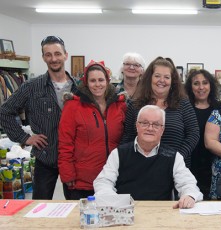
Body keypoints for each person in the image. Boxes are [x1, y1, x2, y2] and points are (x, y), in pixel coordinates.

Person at [0, 36, 77, 200]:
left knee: (76, 206)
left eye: (57, 53)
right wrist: (24, 137)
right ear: (43, 58)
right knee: (39, 207)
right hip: (45, 157)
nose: (53, 59)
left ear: (65, 55)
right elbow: (4, 111)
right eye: (48, 55)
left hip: (74, 158)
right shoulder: (31, 87)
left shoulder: (80, 88)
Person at [94, 105, 203, 208]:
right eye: (145, 123)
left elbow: (188, 184)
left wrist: (189, 196)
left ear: (162, 129)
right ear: (137, 125)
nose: (150, 128)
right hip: (125, 212)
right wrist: (114, 201)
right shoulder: (118, 153)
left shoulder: (174, 157)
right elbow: (103, 182)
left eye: (156, 124)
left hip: (160, 215)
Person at [58, 60, 126, 200]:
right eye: (92, 80)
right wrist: (67, 173)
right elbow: (65, 143)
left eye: (101, 80)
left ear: (107, 81)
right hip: (82, 182)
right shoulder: (73, 107)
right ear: (86, 83)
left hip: (111, 179)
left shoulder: (119, 106)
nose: (97, 84)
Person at [121, 56, 199, 168]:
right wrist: (121, 159)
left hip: (175, 167)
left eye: (167, 77)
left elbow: (193, 134)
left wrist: (177, 157)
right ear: (150, 78)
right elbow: (128, 137)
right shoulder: (135, 105)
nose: (162, 80)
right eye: (157, 76)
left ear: (172, 81)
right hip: (141, 166)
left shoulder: (183, 103)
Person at [184, 69, 221, 199]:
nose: (201, 87)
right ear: (190, 87)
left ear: (211, 85)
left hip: (212, 162)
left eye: (205, 83)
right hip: (189, 163)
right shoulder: (184, 107)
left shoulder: (219, 107)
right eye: (196, 83)